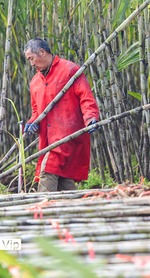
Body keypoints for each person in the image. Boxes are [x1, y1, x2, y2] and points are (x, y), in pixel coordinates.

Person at [24, 38, 99, 192]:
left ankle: (42, 209)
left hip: (68, 136)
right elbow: (37, 111)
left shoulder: (70, 70)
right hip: (48, 139)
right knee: (65, 181)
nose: (31, 64)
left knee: (48, 170)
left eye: (31, 58)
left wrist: (91, 118)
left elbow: (86, 98)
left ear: (42, 52)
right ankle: (69, 211)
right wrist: (32, 123)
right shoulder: (35, 82)